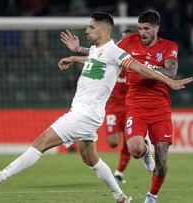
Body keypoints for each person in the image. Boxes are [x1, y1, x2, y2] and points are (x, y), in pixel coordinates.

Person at [0, 12, 193, 203]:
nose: (87, 30)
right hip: (87, 113)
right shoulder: (100, 50)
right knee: (91, 159)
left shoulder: (116, 53)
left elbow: (141, 69)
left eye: (91, 27)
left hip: (84, 115)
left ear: (104, 30)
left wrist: (170, 81)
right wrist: (75, 54)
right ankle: (121, 197)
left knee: (41, 142)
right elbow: (95, 57)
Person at [60, 10, 181, 203]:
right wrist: (79, 49)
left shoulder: (169, 47)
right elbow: (105, 55)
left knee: (162, 160)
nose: (142, 32)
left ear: (156, 28)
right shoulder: (129, 42)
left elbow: (171, 72)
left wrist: (141, 64)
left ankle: (152, 196)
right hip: (135, 104)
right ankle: (144, 151)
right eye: (140, 28)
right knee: (134, 149)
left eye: (147, 29)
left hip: (160, 107)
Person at [60, 28, 150, 184]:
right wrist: (77, 52)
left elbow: (146, 72)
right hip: (113, 106)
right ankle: (142, 146)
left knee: (130, 140)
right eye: (123, 40)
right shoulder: (114, 54)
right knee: (113, 142)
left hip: (130, 105)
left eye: (129, 40)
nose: (125, 43)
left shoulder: (136, 59)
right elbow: (95, 56)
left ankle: (123, 169)